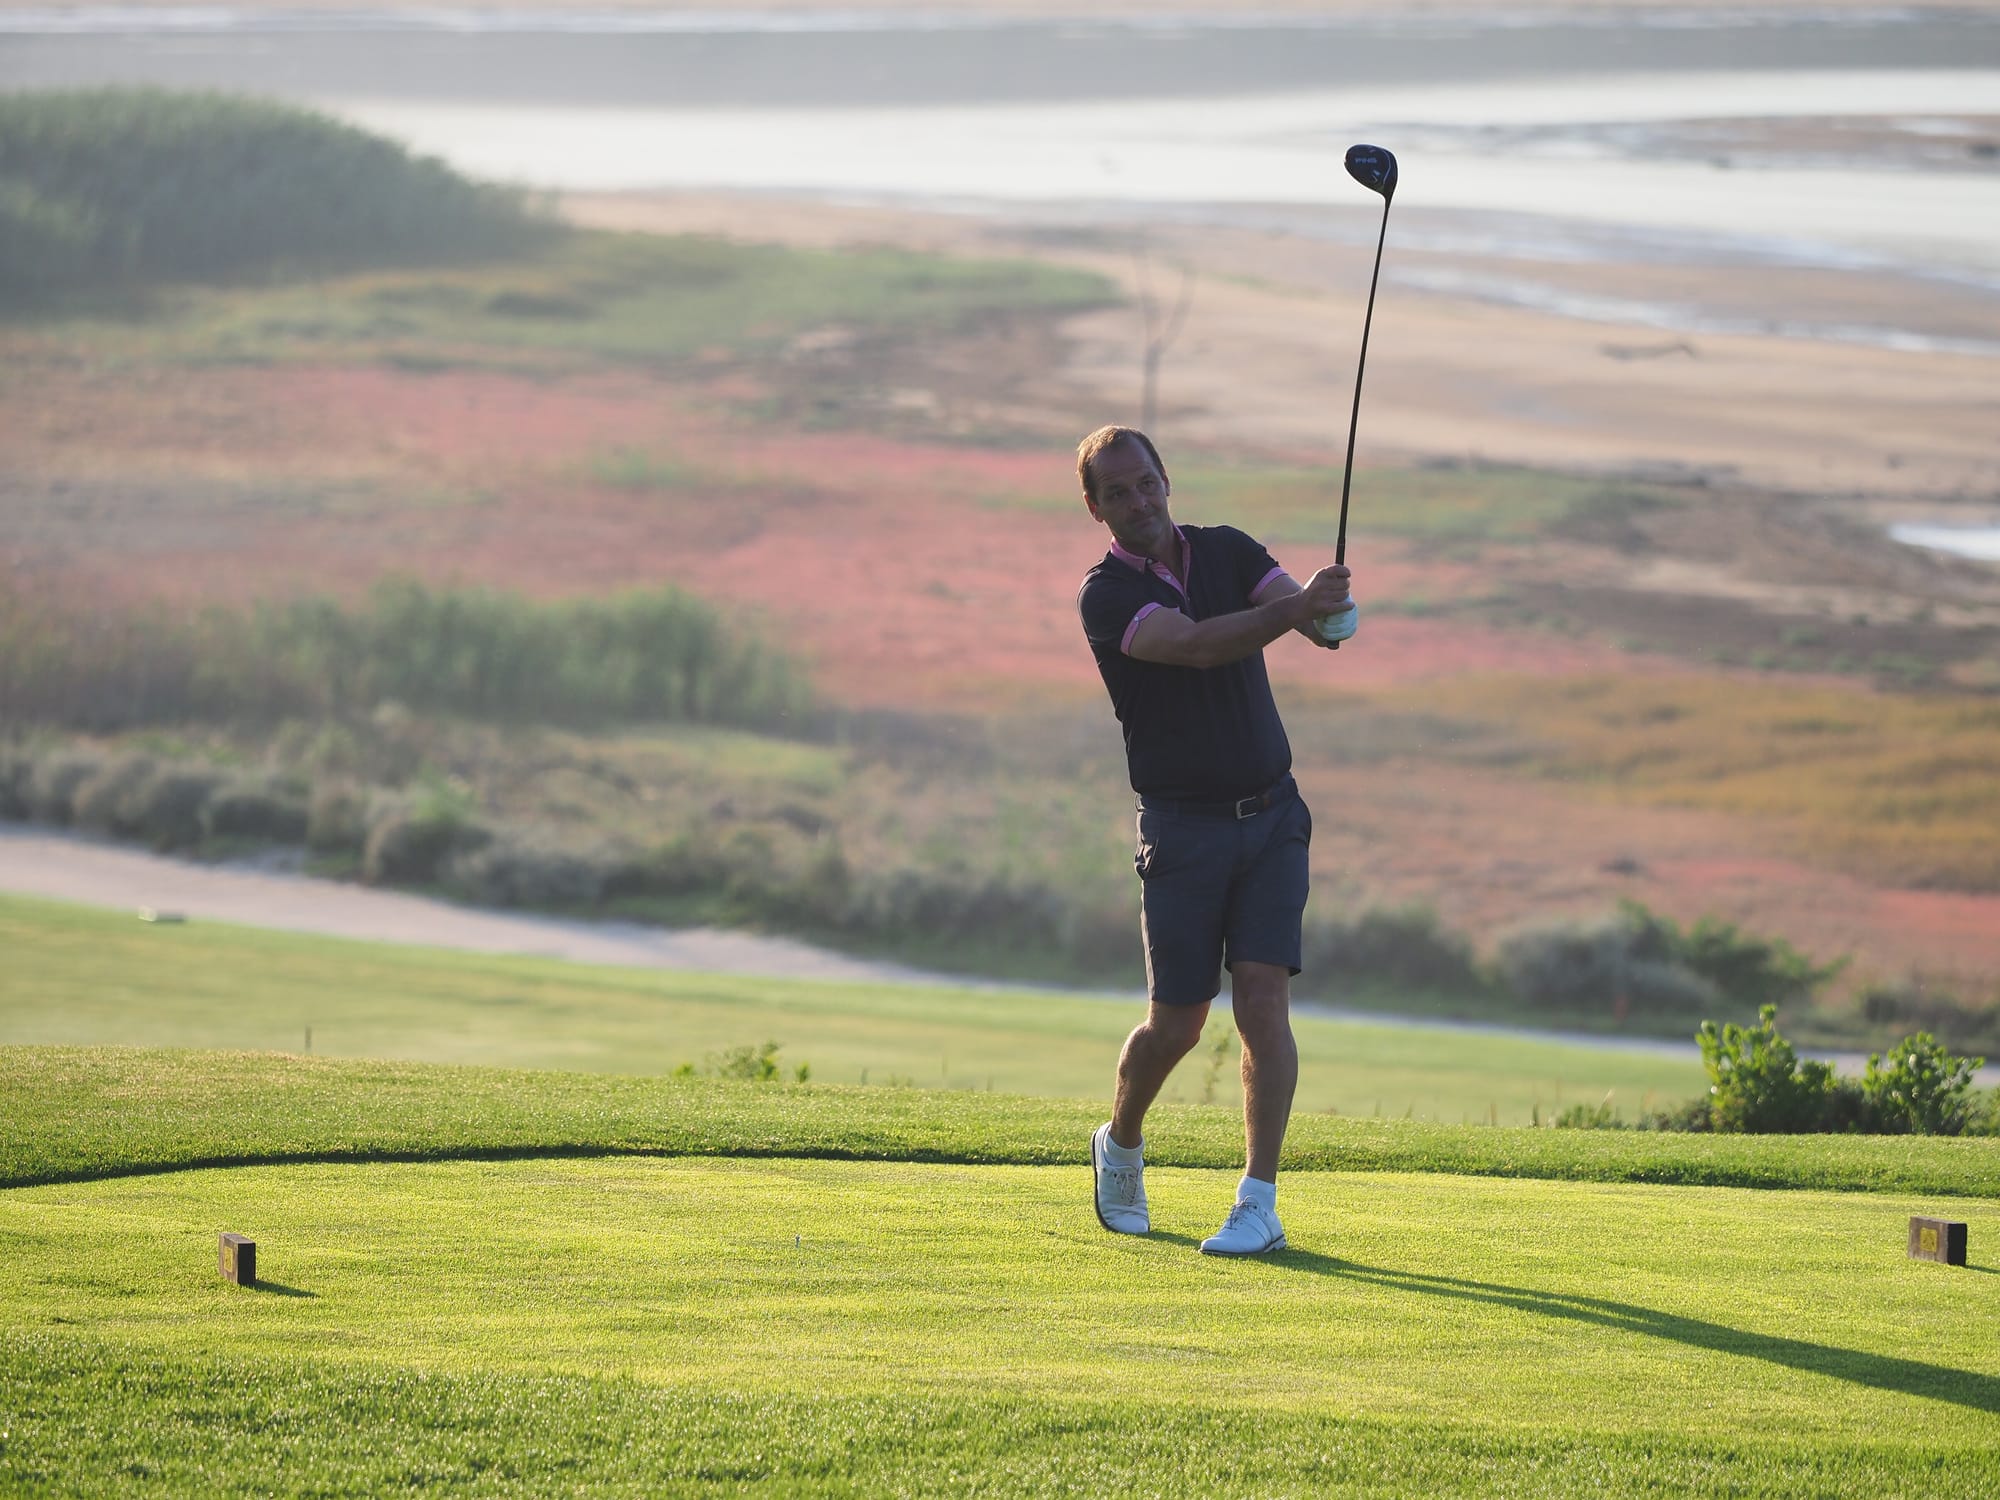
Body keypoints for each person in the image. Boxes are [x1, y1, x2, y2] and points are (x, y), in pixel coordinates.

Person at [1074, 425, 1352, 1256]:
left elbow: (1316, 626)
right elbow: (1194, 648)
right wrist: (1296, 609)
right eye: (1116, 492)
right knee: (1179, 1024)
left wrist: (1330, 609)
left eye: (1145, 482)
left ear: (1166, 479)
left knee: (1263, 1000)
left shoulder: (1228, 550)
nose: (1137, 501)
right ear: (1094, 507)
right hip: (1181, 830)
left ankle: (1258, 1202)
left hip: (1273, 819)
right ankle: (1121, 1143)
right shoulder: (1105, 597)